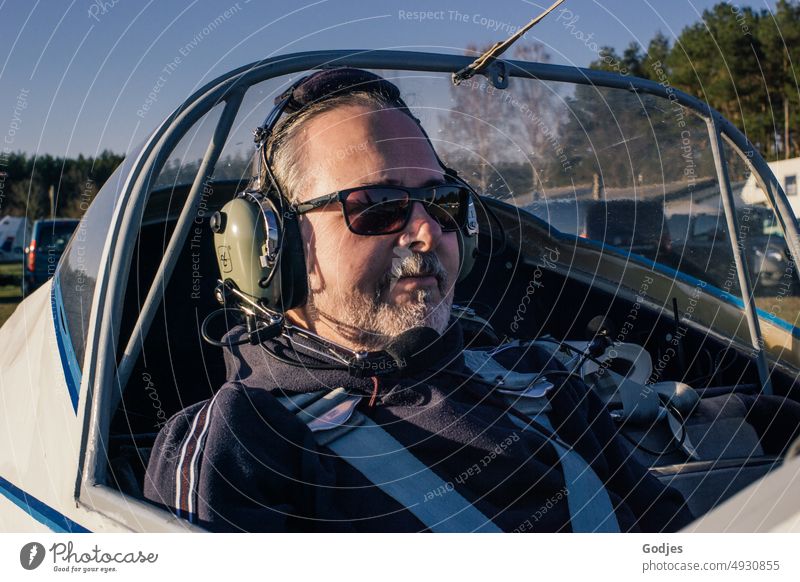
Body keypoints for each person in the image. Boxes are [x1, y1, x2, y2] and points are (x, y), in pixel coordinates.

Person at [143, 68, 694, 532]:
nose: (427, 232)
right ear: (274, 245)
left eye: (442, 202)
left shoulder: (541, 381)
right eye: (378, 206)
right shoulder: (244, 443)